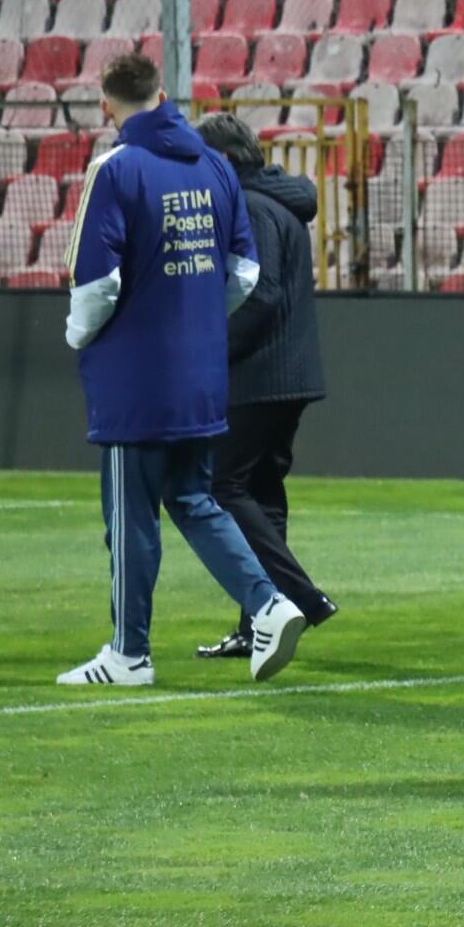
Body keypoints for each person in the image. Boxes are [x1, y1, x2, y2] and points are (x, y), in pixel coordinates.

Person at [57, 54, 308, 687]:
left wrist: (79, 335)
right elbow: (243, 273)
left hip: (135, 378)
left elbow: (97, 284)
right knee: (195, 500)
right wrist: (196, 322)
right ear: (163, 94)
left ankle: (129, 654)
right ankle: (269, 605)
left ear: (105, 104)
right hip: (202, 374)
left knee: (131, 516)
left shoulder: (115, 169)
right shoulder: (216, 166)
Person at [192, 112, 335, 660]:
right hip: (290, 374)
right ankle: (259, 625)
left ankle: (298, 597)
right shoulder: (281, 203)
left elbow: (260, 294)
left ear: (225, 161)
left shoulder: (250, 207)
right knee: (262, 496)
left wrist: (212, 348)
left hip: (258, 375)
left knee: (221, 488)